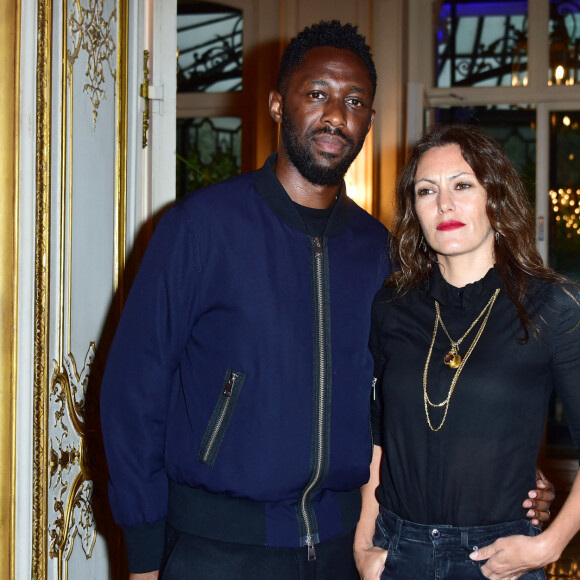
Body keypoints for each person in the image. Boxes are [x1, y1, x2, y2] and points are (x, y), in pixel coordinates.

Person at [101, 22, 553, 580]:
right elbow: (133, 391)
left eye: (355, 100)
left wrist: (513, 476)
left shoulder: (383, 252)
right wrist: (144, 555)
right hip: (217, 548)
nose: (336, 114)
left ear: (368, 120)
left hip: (344, 550)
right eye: (317, 94)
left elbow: (418, 395)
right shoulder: (199, 229)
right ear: (276, 104)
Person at [354, 123, 579, 580]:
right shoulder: (391, 306)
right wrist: (364, 542)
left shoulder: (551, 306)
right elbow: (378, 436)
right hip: (399, 552)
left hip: (498, 560)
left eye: (462, 185)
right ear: (414, 209)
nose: (444, 204)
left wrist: (548, 547)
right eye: (426, 191)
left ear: (494, 197)